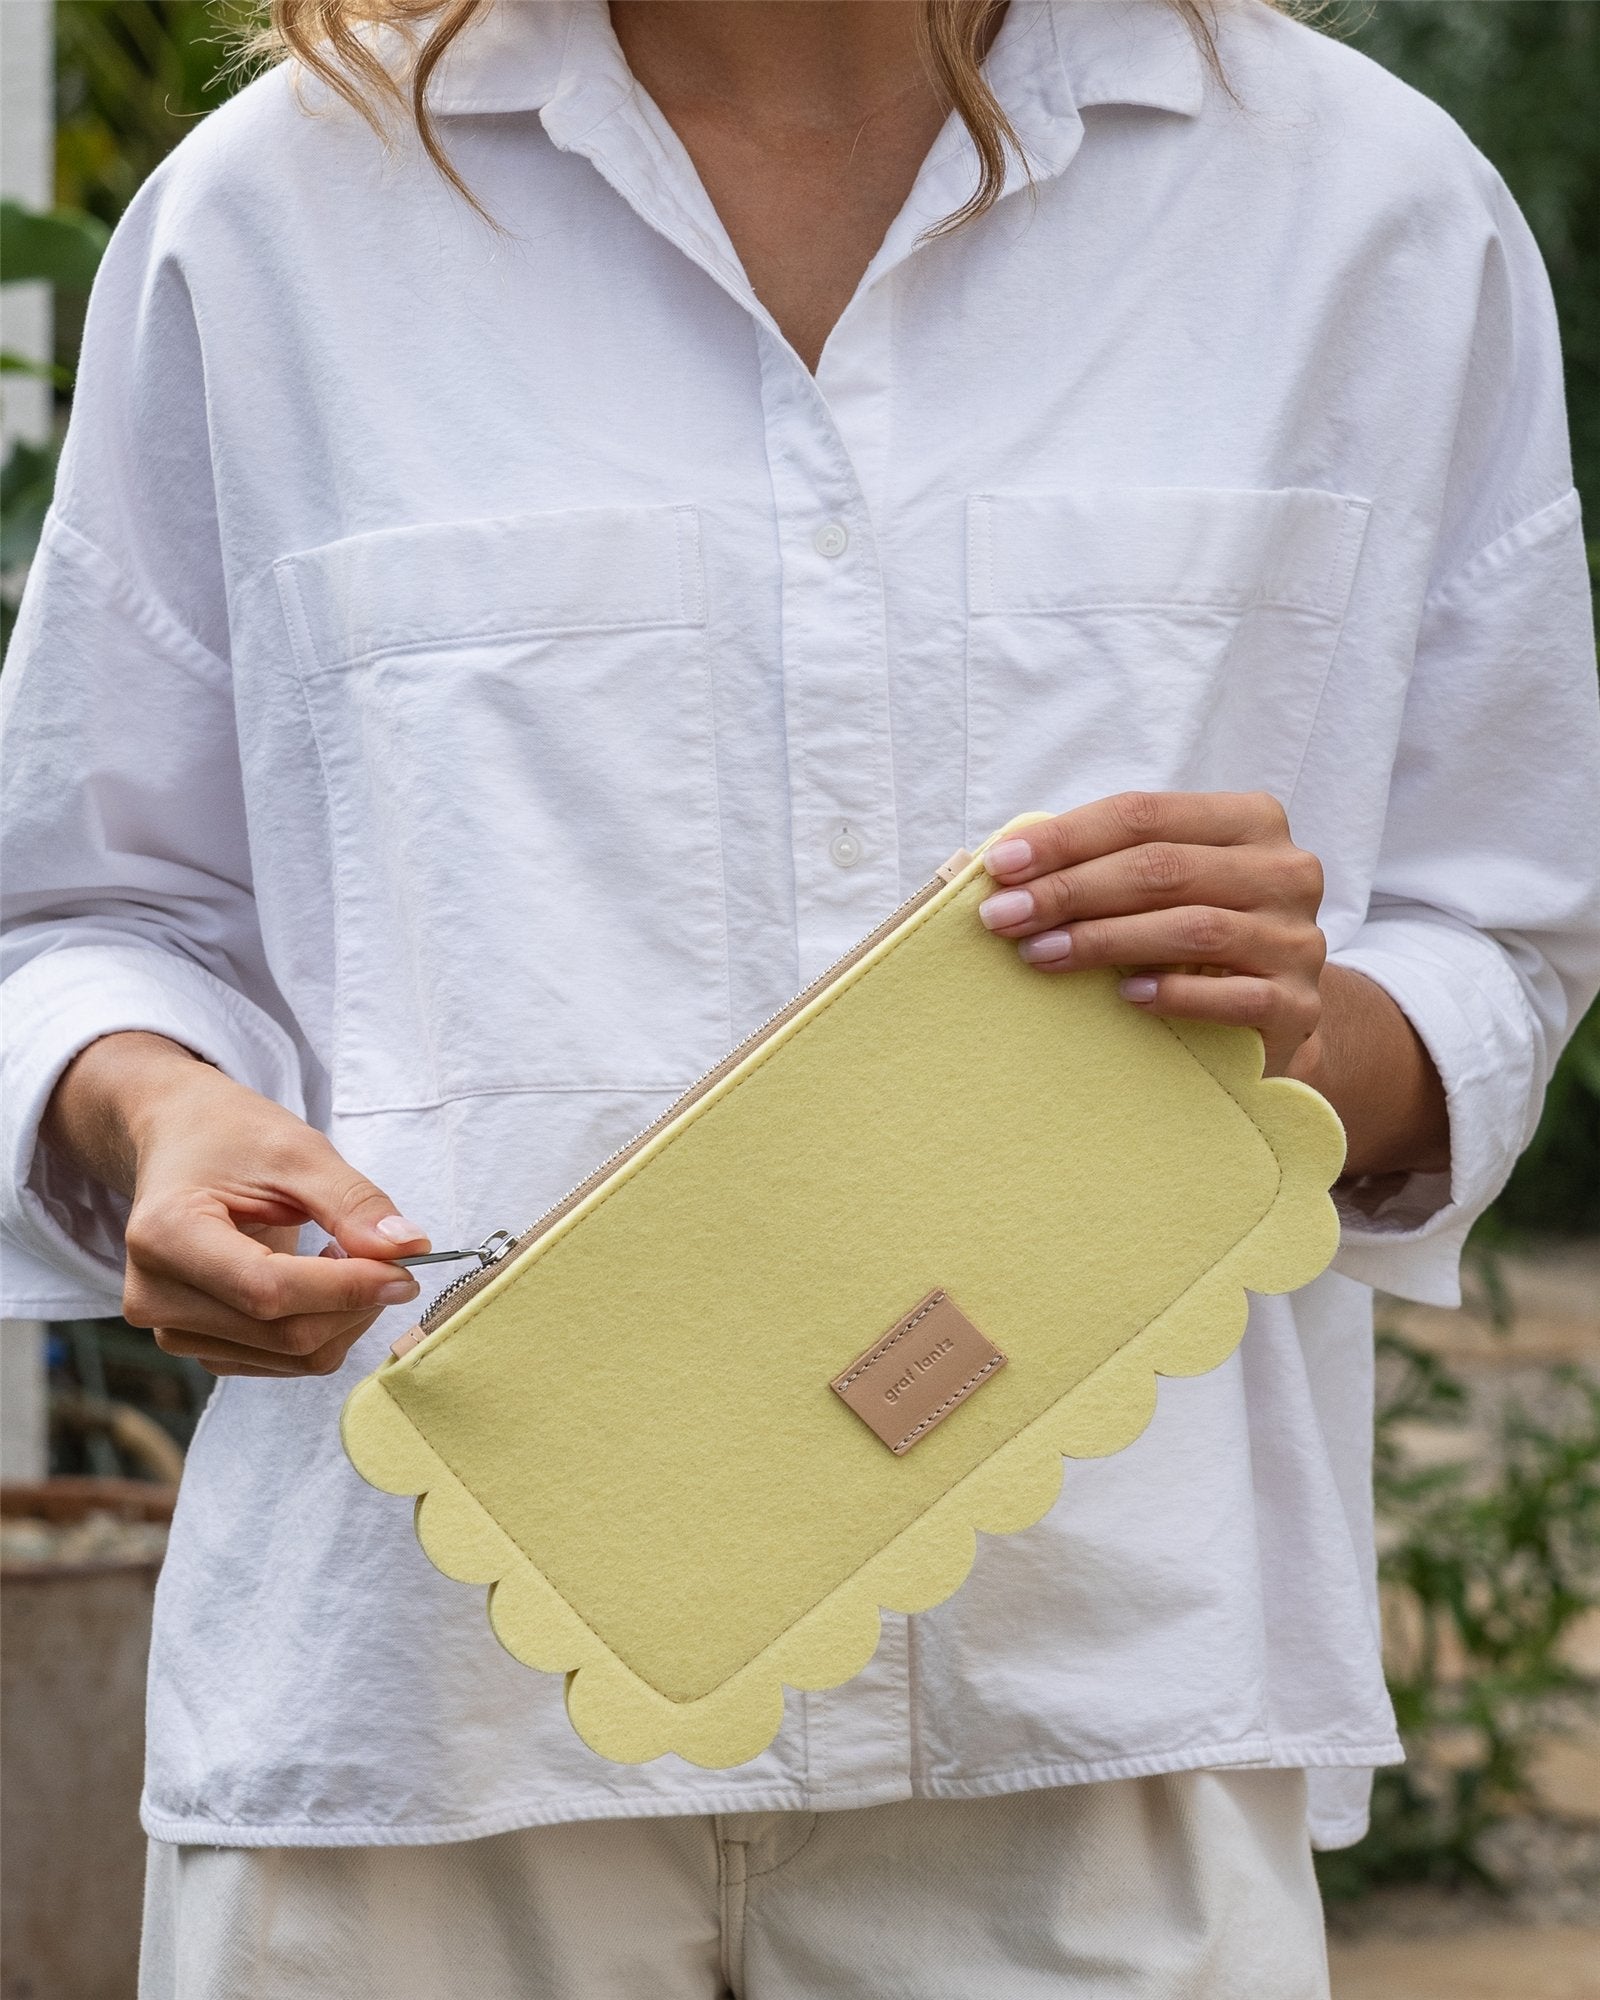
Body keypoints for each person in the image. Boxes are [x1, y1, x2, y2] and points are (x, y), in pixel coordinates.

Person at [3, 0, 1597, 1992]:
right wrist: (152, 1115)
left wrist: (1295, 1035)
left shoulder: (1360, 217)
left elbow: (1502, 935)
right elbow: (89, 906)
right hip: (416, 1723)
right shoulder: (266, 229)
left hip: (1095, 1710)